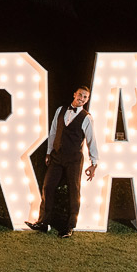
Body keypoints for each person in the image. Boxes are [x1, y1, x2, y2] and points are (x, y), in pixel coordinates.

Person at [25, 86, 99, 239]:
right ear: (74, 94)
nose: (82, 98)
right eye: (80, 95)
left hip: (74, 159)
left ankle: (69, 226)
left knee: (74, 191)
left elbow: (92, 140)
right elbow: (53, 132)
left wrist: (94, 163)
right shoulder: (60, 110)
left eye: (85, 97)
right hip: (56, 157)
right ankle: (43, 223)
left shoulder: (87, 117)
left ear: (87, 99)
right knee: (48, 187)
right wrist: (48, 152)